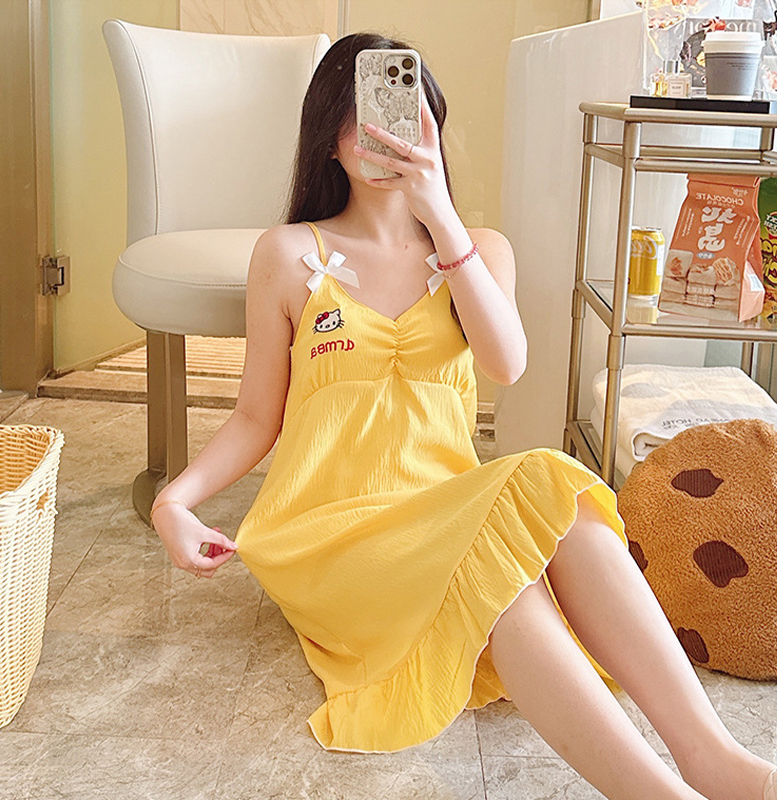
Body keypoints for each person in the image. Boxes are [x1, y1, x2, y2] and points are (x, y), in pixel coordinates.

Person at [149, 32, 777, 800]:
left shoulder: (478, 250)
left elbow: (506, 364)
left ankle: (714, 762)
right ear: (329, 140)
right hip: (331, 531)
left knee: (547, 512)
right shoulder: (287, 254)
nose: (382, 133)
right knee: (514, 549)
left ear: (433, 125)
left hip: (444, 510)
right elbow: (256, 416)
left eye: (402, 112)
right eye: (359, 116)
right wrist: (174, 500)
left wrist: (441, 220)